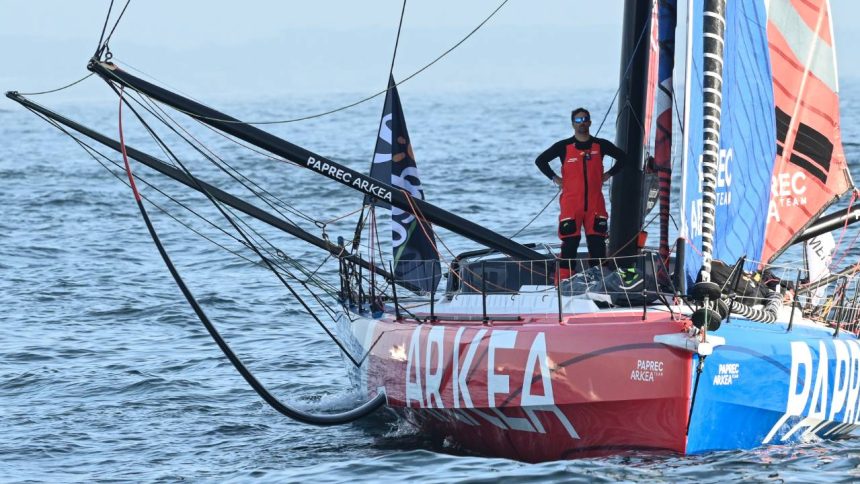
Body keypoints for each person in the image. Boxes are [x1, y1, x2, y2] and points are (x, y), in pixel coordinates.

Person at [535, 107, 626, 280]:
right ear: (572, 124)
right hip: (571, 204)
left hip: (595, 204)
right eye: (578, 120)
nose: (582, 122)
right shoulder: (564, 146)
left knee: (597, 244)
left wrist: (609, 174)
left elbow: (623, 158)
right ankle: (563, 281)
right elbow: (540, 161)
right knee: (570, 244)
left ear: (590, 122)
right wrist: (555, 178)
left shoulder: (601, 145)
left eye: (585, 119)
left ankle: (600, 280)